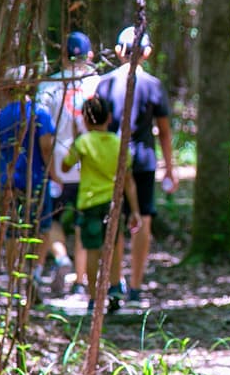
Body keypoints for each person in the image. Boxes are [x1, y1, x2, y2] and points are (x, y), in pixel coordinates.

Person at [96, 25, 177, 307]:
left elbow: (94, 125)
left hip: (110, 163)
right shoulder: (153, 85)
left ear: (119, 51)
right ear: (147, 53)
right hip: (142, 161)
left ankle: (115, 283)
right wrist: (170, 168)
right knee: (142, 219)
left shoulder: (104, 84)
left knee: (114, 220)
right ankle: (135, 287)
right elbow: (164, 131)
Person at [60, 96, 142, 314]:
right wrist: (135, 211)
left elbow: (65, 167)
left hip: (89, 203)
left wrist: (75, 142)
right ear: (109, 118)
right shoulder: (119, 144)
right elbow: (128, 180)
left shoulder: (82, 143)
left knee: (92, 249)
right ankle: (115, 289)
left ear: (85, 120)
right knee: (114, 246)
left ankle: (94, 297)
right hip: (113, 204)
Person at [37, 31, 101, 297]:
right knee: (83, 221)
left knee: (49, 220)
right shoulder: (98, 84)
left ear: (63, 55)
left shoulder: (47, 86)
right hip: (89, 167)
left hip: (56, 167)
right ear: (90, 55)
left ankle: (60, 260)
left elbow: (44, 135)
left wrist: (50, 169)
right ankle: (81, 281)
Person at [0, 79, 57, 300]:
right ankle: (34, 275)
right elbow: (47, 146)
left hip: (10, 182)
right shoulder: (40, 112)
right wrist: (54, 174)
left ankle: (14, 280)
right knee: (42, 228)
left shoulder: (1, 116)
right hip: (37, 180)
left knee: (13, 230)